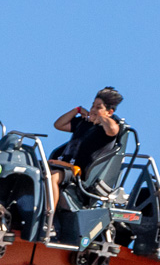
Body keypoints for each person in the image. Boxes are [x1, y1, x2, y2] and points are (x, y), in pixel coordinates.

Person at [46, 87, 124, 226]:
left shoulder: (106, 131)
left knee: (52, 177)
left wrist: (102, 117)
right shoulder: (84, 123)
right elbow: (59, 125)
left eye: (98, 107)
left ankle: (47, 219)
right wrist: (77, 110)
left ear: (109, 112)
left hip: (77, 173)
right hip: (61, 164)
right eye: (92, 106)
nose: (93, 109)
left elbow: (113, 129)